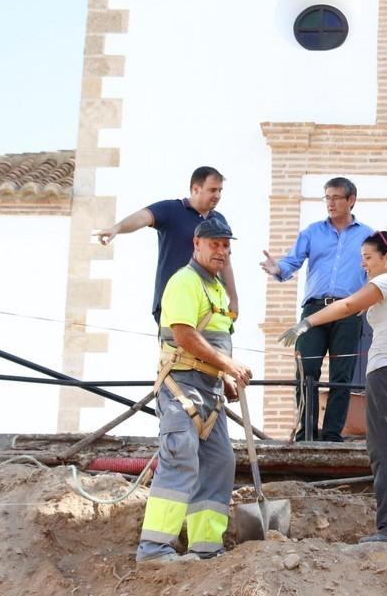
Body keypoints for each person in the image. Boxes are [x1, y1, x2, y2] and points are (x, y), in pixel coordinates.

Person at [278, 228, 387, 544]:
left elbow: (347, 306)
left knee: (384, 453)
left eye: (368, 258)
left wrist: (307, 322)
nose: (363, 266)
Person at [136, 218, 252, 564]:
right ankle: (154, 549)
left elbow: (215, 337)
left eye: (226, 245)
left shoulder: (216, 288)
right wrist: (229, 366)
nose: (222, 250)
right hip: (181, 385)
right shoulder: (185, 281)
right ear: (197, 243)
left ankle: (206, 546)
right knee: (180, 453)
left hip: (211, 389)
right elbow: (185, 335)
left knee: (219, 461)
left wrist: (224, 374)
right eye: (215, 243)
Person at [261, 177, 373, 442]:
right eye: (327, 197)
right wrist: (278, 269)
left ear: (351, 200)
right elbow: (292, 261)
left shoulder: (368, 235)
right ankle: (306, 434)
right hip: (314, 311)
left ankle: (332, 434)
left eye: (336, 197)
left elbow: (376, 271)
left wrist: (365, 302)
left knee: (341, 374)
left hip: (349, 312)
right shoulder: (312, 232)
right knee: (306, 368)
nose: (331, 203)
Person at [95, 166, 238, 325]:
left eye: (220, 190)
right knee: (179, 350)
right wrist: (117, 228)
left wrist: (233, 299)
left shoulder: (220, 221)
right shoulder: (172, 210)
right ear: (196, 189)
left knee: (211, 349)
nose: (217, 195)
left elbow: (225, 264)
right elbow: (142, 217)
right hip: (174, 301)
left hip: (208, 306)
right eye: (212, 190)